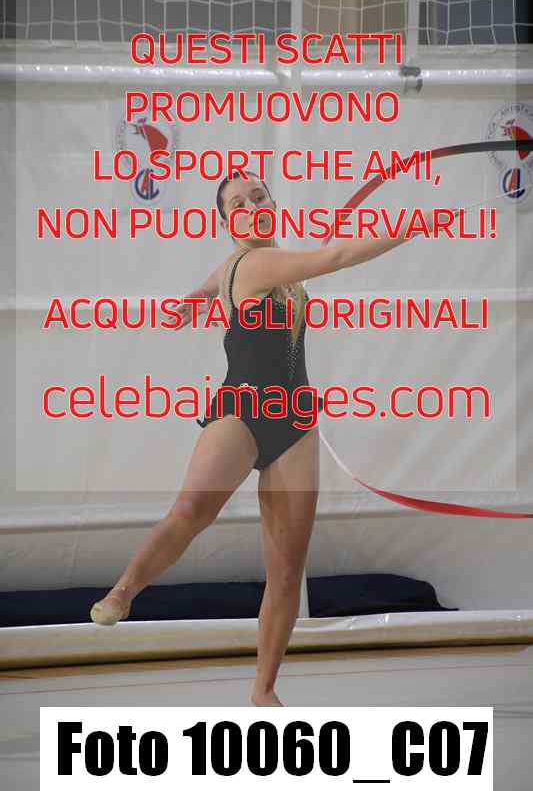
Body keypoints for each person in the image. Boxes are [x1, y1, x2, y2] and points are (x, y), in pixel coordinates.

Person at [90, 170, 443, 707]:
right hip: (244, 408)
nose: (251, 206)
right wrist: (412, 227)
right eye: (237, 204)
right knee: (193, 509)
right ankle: (124, 590)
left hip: (296, 419)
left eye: (258, 196)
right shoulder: (254, 263)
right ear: (227, 223)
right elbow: (336, 256)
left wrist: (196, 296)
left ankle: (263, 690)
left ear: (272, 204)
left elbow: (218, 278)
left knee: (286, 569)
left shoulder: (255, 266)